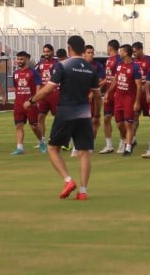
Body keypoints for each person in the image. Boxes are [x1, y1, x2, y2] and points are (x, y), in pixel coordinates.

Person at [30, 35, 101, 200]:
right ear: (83, 49)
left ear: (69, 48)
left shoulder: (62, 65)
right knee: (84, 152)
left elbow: (48, 90)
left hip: (65, 112)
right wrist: (97, 114)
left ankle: (68, 180)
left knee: (53, 148)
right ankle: (83, 191)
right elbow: (97, 95)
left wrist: (31, 101)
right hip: (84, 113)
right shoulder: (90, 68)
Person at [105, 44, 144, 156]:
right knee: (119, 124)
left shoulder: (135, 67)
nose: (119, 53)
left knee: (128, 124)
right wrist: (108, 91)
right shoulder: (119, 65)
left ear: (126, 53)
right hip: (119, 98)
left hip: (129, 99)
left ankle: (128, 147)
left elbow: (138, 85)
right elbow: (116, 80)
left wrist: (137, 101)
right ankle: (129, 140)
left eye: (121, 51)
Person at [10, 51, 44, 155]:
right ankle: (20, 148)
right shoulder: (15, 74)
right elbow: (16, 88)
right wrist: (16, 102)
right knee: (18, 126)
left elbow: (39, 86)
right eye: (18, 59)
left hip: (30, 104)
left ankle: (41, 142)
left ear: (27, 60)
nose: (19, 61)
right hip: (19, 104)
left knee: (34, 126)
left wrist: (35, 100)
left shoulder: (33, 72)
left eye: (22, 59)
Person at [97, 39, 122, 154]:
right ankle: (109, 145)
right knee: (106, 118)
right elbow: (108, 78)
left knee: (120, 121)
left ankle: (123, 143)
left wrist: (108, 91)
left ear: (110, 47)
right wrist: (97, 86)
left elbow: (117, 79)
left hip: (117, 93)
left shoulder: (118, 60)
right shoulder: (108, 60)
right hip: (109, 93)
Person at [33, 45, 60, 145]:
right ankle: (42, 141)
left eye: (48, 51)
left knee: (58, 118)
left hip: (54, 94)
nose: (46, 53)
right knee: (40, 117)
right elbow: (33, 75)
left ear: (52, 52)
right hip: (44, 95)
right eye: (44, 51)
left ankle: (58, 139)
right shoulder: (40, 64)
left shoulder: (57, 63)